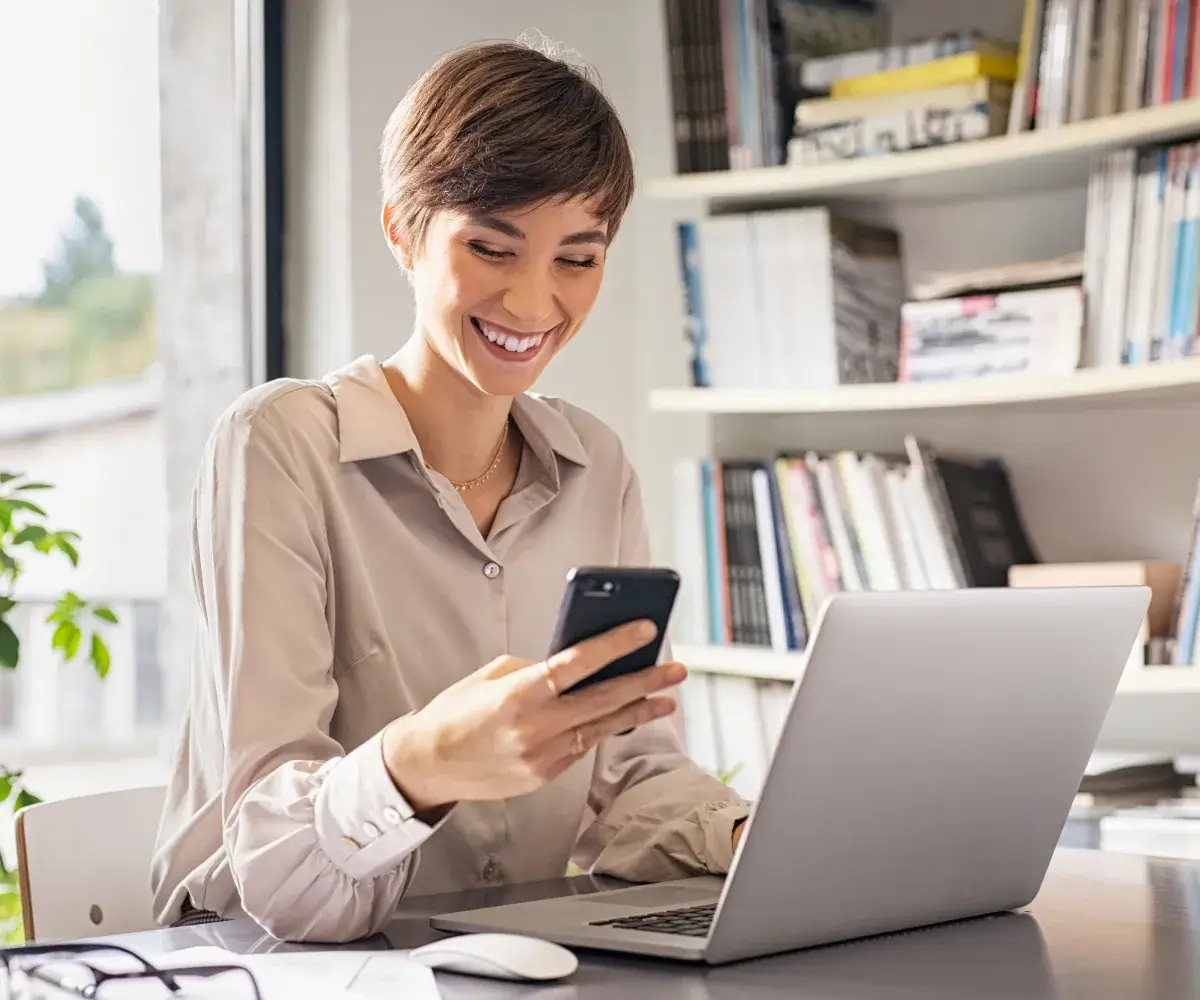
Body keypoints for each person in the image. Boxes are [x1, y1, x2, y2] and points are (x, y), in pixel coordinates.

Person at [150, 37, 750, 943]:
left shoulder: (598, 465)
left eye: (576, 259)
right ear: (401, 230)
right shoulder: (279, 446)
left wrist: (753, 836)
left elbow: (629, 774)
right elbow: (268, 853)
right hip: (264, 963)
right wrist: (422, 764)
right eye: (491, 247)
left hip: (500, 960)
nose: (534, 302)